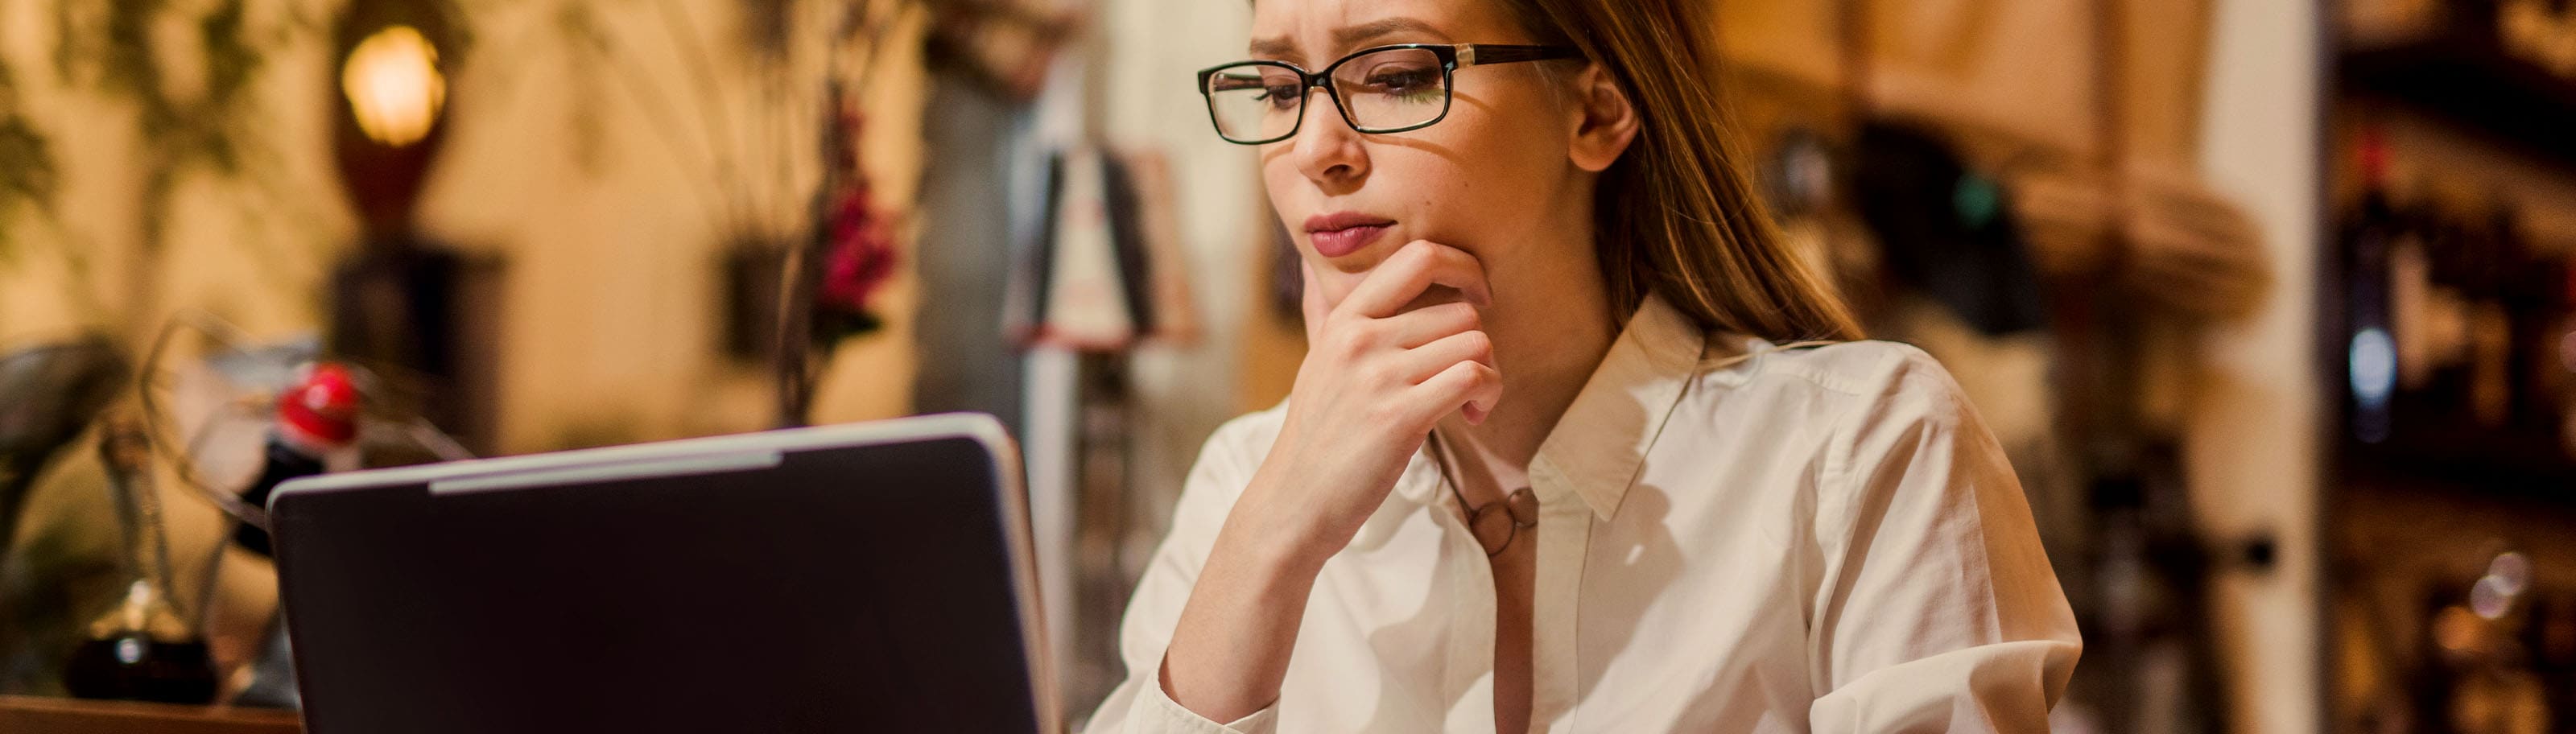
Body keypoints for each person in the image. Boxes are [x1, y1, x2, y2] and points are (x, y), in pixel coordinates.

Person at [1083, 0, 2079, 731]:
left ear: (1597, 111)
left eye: (1395, 76)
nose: (1315, 149)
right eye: (1274, 88)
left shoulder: (1860, 449)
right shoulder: (1243, 485)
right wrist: (1274, 534)